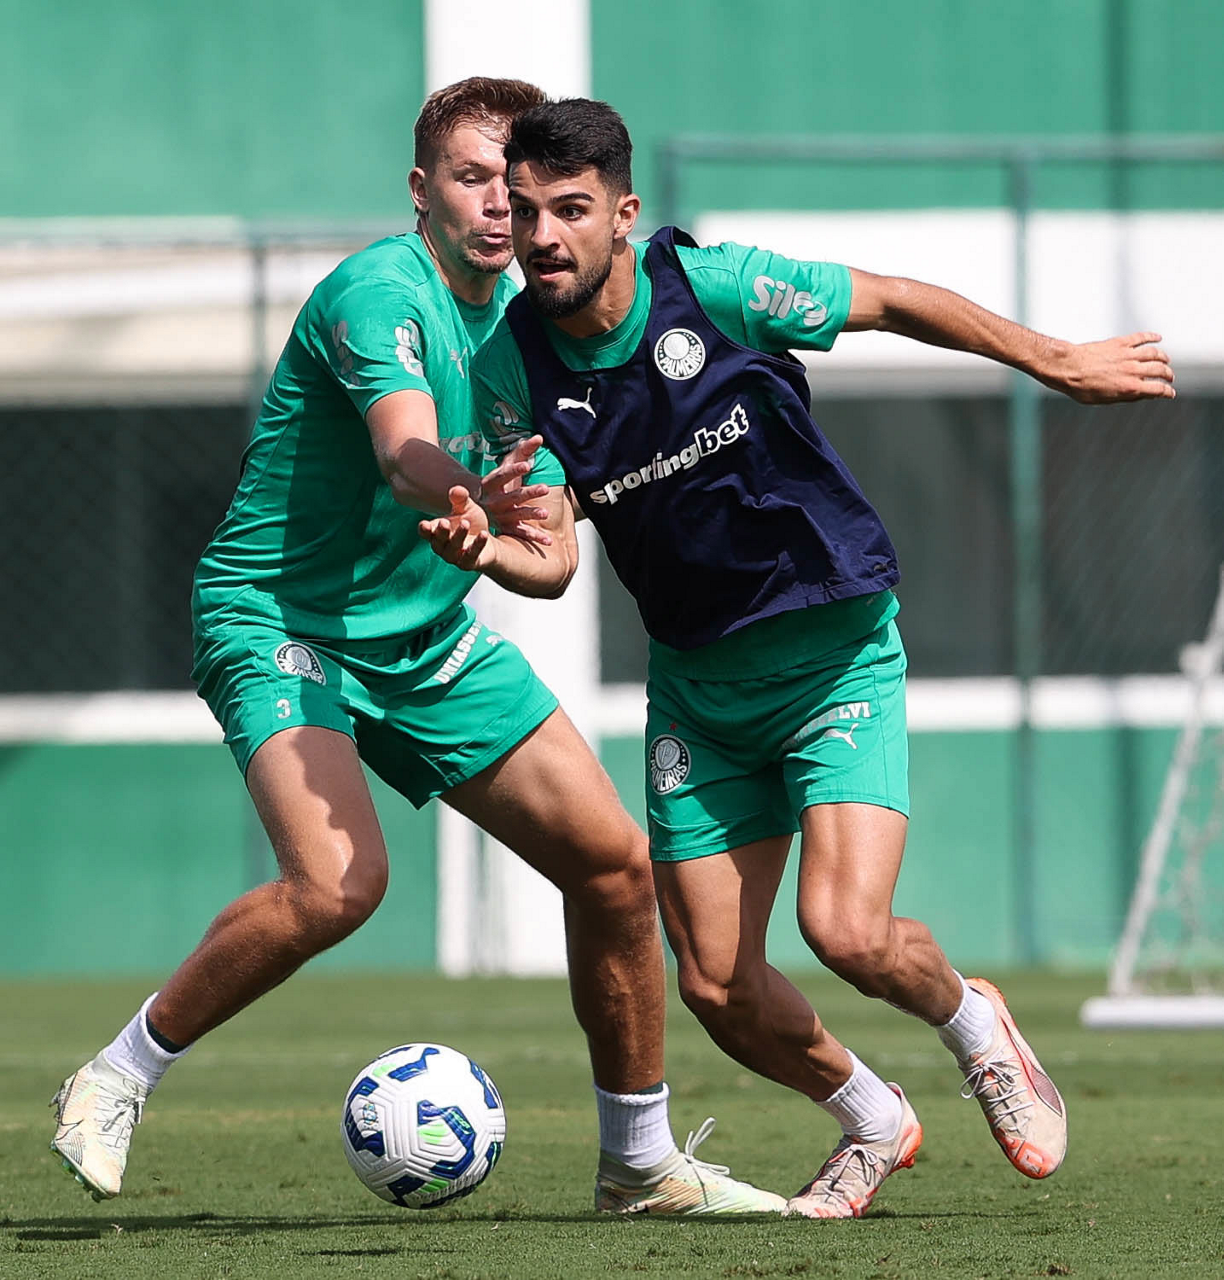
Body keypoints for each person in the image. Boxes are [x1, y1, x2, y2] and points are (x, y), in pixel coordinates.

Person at [422, 97, 1177, 1219]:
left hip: (834, 661)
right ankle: (872, 1118)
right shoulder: (508, 366)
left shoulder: (717, 288)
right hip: (699, 693)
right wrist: (490, 548)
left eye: (570, 210)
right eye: (525, 211)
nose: (541, 236)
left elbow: (894, 299)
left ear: (623, 214)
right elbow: (555, 553)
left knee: (847, 932)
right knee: (716, 985)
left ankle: (974, 1023)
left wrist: (1054, 359)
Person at [49, 78, 786, 1219]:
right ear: (421, 191)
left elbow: (553, 556)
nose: (500, 207)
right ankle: (117, 1076)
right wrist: (470, 494)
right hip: (279, 618)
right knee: (337, 886)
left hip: (426, 635)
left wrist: (515, 540)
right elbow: (405, 454)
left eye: (517, 188)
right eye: (471, 178)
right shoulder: (380, 291)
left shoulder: (538, 334)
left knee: (613, 865)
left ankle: (638, 1165)